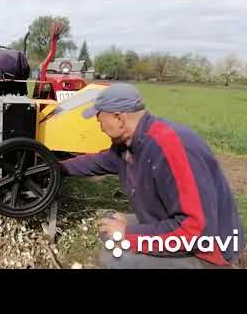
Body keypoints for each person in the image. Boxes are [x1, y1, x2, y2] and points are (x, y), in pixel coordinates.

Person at [59, 82, 245, 269]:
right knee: (109, 224)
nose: (99, 126)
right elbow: (98, 162)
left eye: (99, 119)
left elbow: (196, 230)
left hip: (208, 250)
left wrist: (129, 233)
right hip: (177, 227)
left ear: (118, 118)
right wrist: (57, 168)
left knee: (116, 260)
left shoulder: (172, 148)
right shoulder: (130, 143)